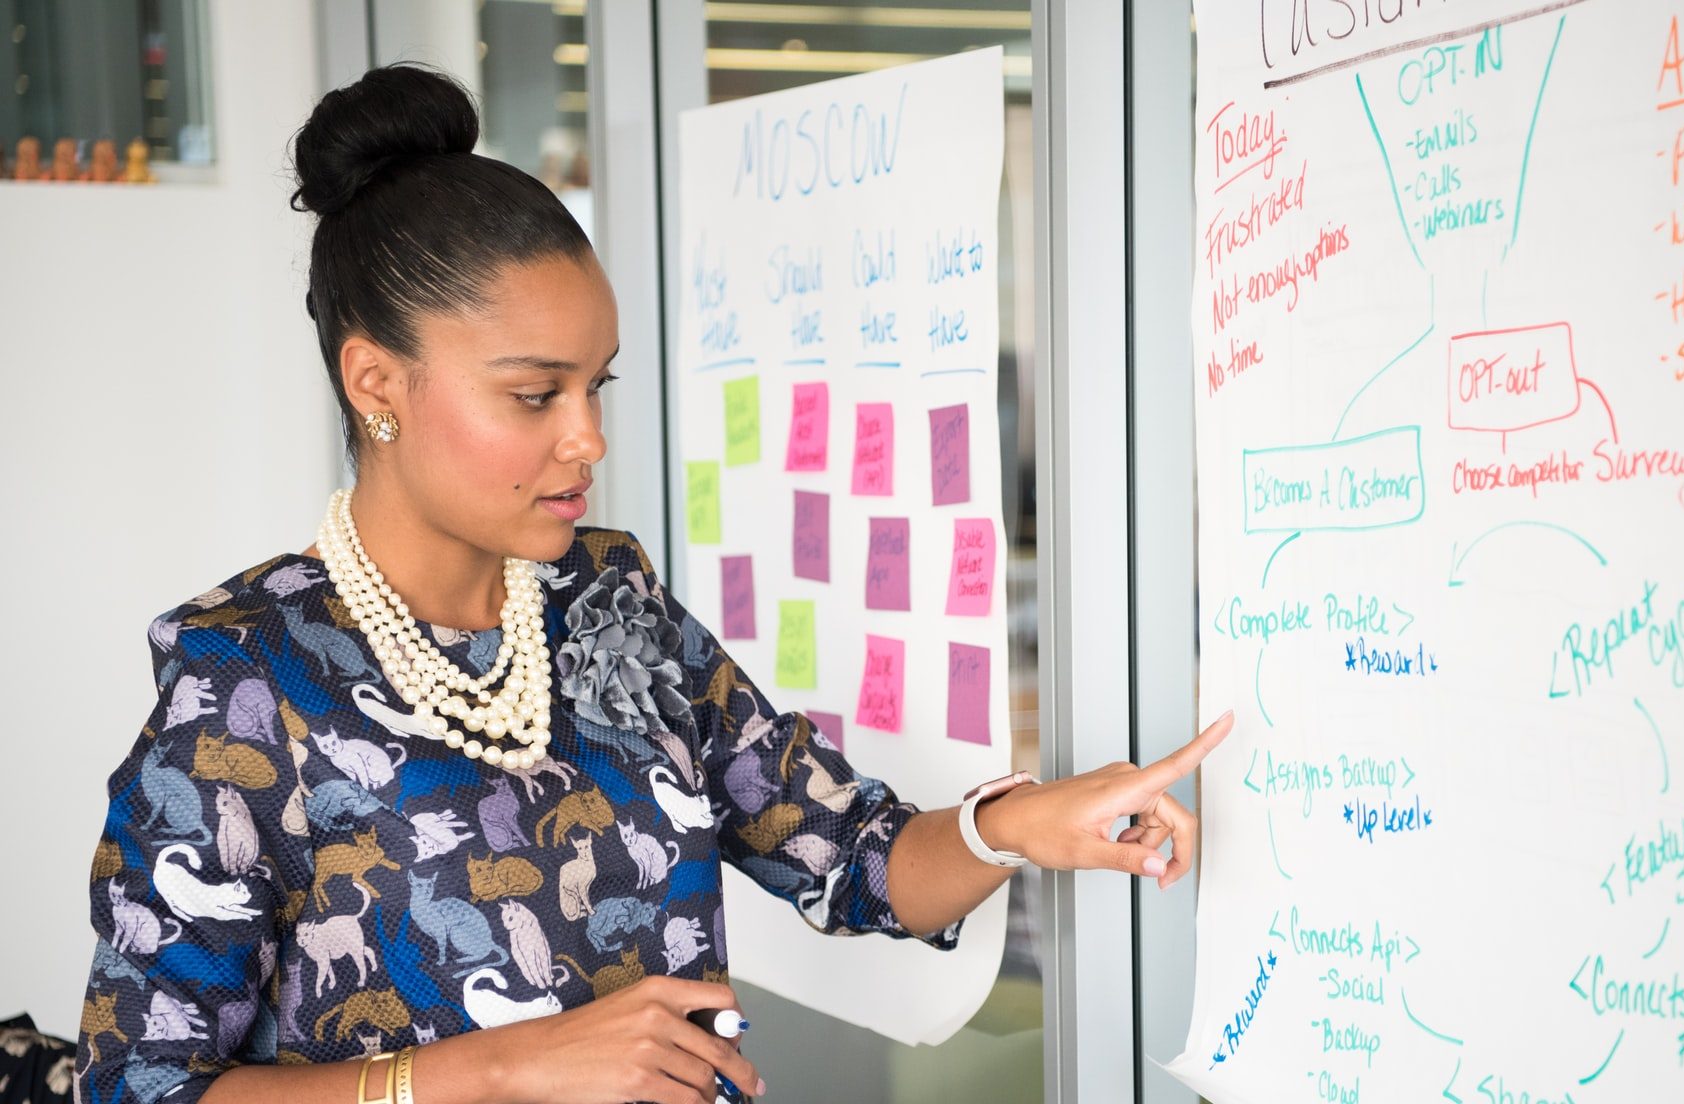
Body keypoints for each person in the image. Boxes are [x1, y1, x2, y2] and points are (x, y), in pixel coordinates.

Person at [74, 63, 1231, 1104]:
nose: (588, 439)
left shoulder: (606, 603)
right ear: (377, 381)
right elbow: (142, 1087)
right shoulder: (243, 680)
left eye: (598, 388)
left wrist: (1025, 825)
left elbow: (853, 860)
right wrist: (502, 1069)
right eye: (537, 395)